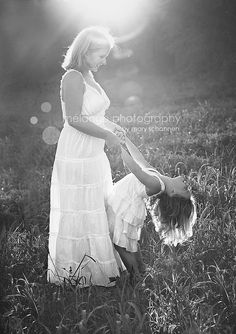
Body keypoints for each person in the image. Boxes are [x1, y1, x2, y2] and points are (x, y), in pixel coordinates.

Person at [47, 26, 126, 287]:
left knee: (98, 205)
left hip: (93, 152)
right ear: (85, 51)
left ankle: (101, 265)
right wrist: (107, 136)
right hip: (77, 151)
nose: (104, 61)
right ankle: (78, 272)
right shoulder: (72, 77)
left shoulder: (89, 75)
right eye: (100, 56)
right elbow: (74, 119)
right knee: (81, 208)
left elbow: (95, 115)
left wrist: (112, 127)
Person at [106, 135, 197, 278]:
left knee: (121, 245)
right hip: (126, 205)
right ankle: (141, 269)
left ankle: (135, 276)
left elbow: (136, 170)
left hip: (124, 208)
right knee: (130, 242)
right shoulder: (159, 177)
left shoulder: (156, 185)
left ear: (172, 193)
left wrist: (120, 149)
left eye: (185, 190)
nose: (188, 185)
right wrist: (126, 141)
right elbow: (140, 160)